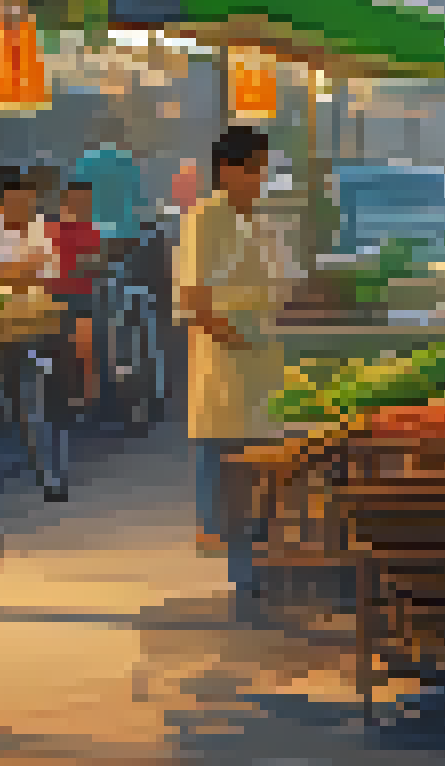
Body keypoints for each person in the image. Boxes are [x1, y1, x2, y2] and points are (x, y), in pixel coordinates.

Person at [178, 126, 298, 593]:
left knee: (264, 472)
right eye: (252, 169)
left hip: (267, 361)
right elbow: (195, 300)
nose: (259, 178)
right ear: (226, 170)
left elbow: (287, 284)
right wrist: (239, 340)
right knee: (230, 472)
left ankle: (260, 569)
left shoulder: (265, 221)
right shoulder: (204, 220)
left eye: (262, 169)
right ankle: (243, 576)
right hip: (226, 364)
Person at [0, 167, 70, 501]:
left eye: (27, 200)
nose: (24, 207)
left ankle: (49, 474)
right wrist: (23, 270)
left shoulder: (37, 226)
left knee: (36, 398)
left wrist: (7, 273)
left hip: (32, 327)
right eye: (17, 200)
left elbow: (50, 271)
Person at [49, 181, 106, 410]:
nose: (81, 205)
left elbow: (94, 264)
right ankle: (68, 393)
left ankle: (89, 396)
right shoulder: (53, 229)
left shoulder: (91, 231)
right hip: (57, 295)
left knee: (85, 346)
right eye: (77, 200)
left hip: (82, 297)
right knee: (63, 347)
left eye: (85, 201)